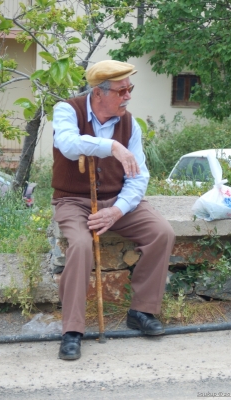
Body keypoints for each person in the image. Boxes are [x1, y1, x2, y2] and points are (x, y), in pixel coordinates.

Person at [52, 59, 176, 361]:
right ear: (99, 93)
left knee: (162, 232)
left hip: (117, 199)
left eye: (129, 89)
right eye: (122, 91)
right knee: (80, 244)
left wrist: (117, 211)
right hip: (73, 200)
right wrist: (111, 147)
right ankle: (73, 330)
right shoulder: (68, 109)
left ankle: (142, 311)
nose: (128, 96)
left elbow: (138, 177)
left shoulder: (129, 123)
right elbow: (67, 144)